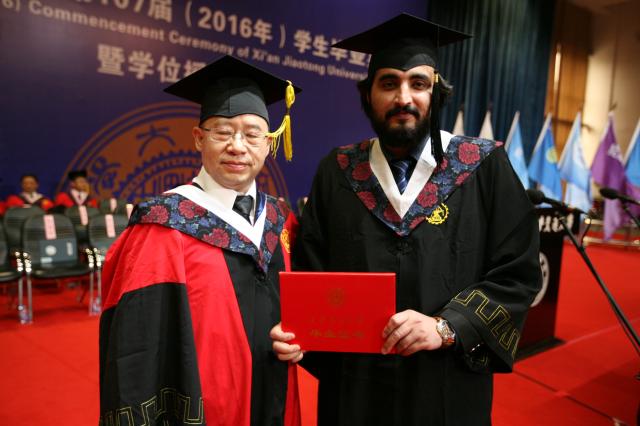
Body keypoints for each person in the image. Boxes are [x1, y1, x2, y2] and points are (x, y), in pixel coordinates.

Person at [271, 13, 542, 426]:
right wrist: (299, 331)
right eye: (388, 84)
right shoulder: (338, 170)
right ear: (368, 95)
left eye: (418, 84)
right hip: (356, 387)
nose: (403, 98)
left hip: (445, 383)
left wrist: (448, 326)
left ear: (437, 93)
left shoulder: (482, 166)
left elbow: (518, 273)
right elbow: (312, 270)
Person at [99, 55, 301, 426]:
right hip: (205, 402)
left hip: (275, 387)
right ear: (198, 138)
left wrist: (302, 337)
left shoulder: (279, 219)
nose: (238, 146)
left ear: (269, 142)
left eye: (252, 134)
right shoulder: (163, 224)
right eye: (223, 132)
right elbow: (136, 344)